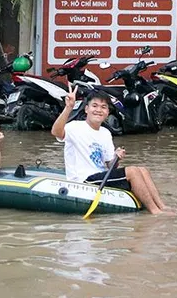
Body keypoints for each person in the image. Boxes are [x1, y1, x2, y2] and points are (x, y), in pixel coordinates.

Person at [52, 87, 170, 215]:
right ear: (86, 109)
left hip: (102, 176)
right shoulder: (75, 126)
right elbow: (56, 132)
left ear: (107, 112)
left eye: (103, 107)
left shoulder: (105, 133)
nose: (98, 110)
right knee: (132, 171)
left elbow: (110, 165)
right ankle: (155, 211)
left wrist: (116, 157)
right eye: (94, 106)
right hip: (84, 180)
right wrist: (68, 107)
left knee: (143, 170)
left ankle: (162, 207)